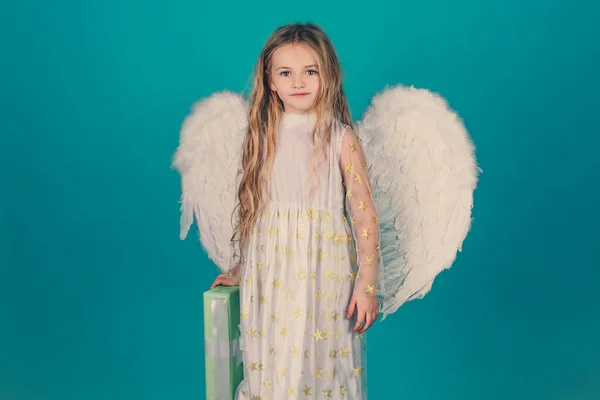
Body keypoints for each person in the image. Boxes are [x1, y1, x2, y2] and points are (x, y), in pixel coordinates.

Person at [209, 23, 382, 399]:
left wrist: (366, 283)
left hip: (324, 269)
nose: (298, 82)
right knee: (273, 365)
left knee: (320, 363)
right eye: (286, 73)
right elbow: (256, 209)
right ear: (270, 80)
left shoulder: (341, 138)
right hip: (269, 271)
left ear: (328, 75)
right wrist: (242, 267)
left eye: (310, 71)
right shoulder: (262, 134)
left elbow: (364, 215)